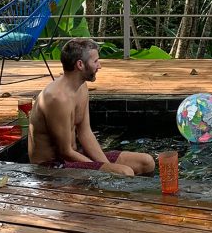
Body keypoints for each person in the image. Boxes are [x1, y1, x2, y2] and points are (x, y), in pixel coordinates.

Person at [28, 38, 154, 176]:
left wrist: (107, 165)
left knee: (146, 162)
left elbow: (85, 132)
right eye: (95, 61)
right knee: (125, 172)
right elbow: (65, 151)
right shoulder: (57, 99)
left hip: (74, 156)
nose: (99, 66)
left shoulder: (81, 87)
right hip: (51, 167)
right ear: (80, 65)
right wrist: (104, 169)